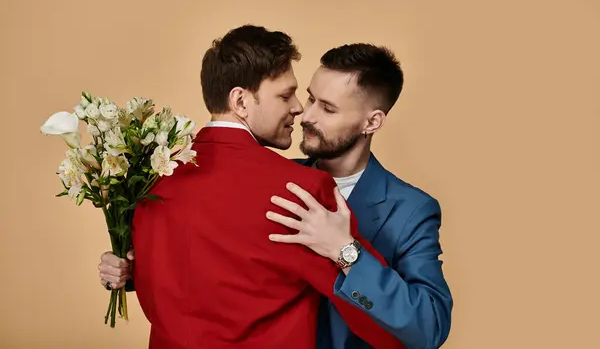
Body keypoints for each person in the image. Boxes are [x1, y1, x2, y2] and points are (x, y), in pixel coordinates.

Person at [99, 39, 453, 348]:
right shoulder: (285, 184)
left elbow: (428, 329)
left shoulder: (411, 210)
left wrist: (346, 252)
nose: (303, 113)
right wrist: (135, 268)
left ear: (371, 122)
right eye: (307, 98)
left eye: (327, 109)